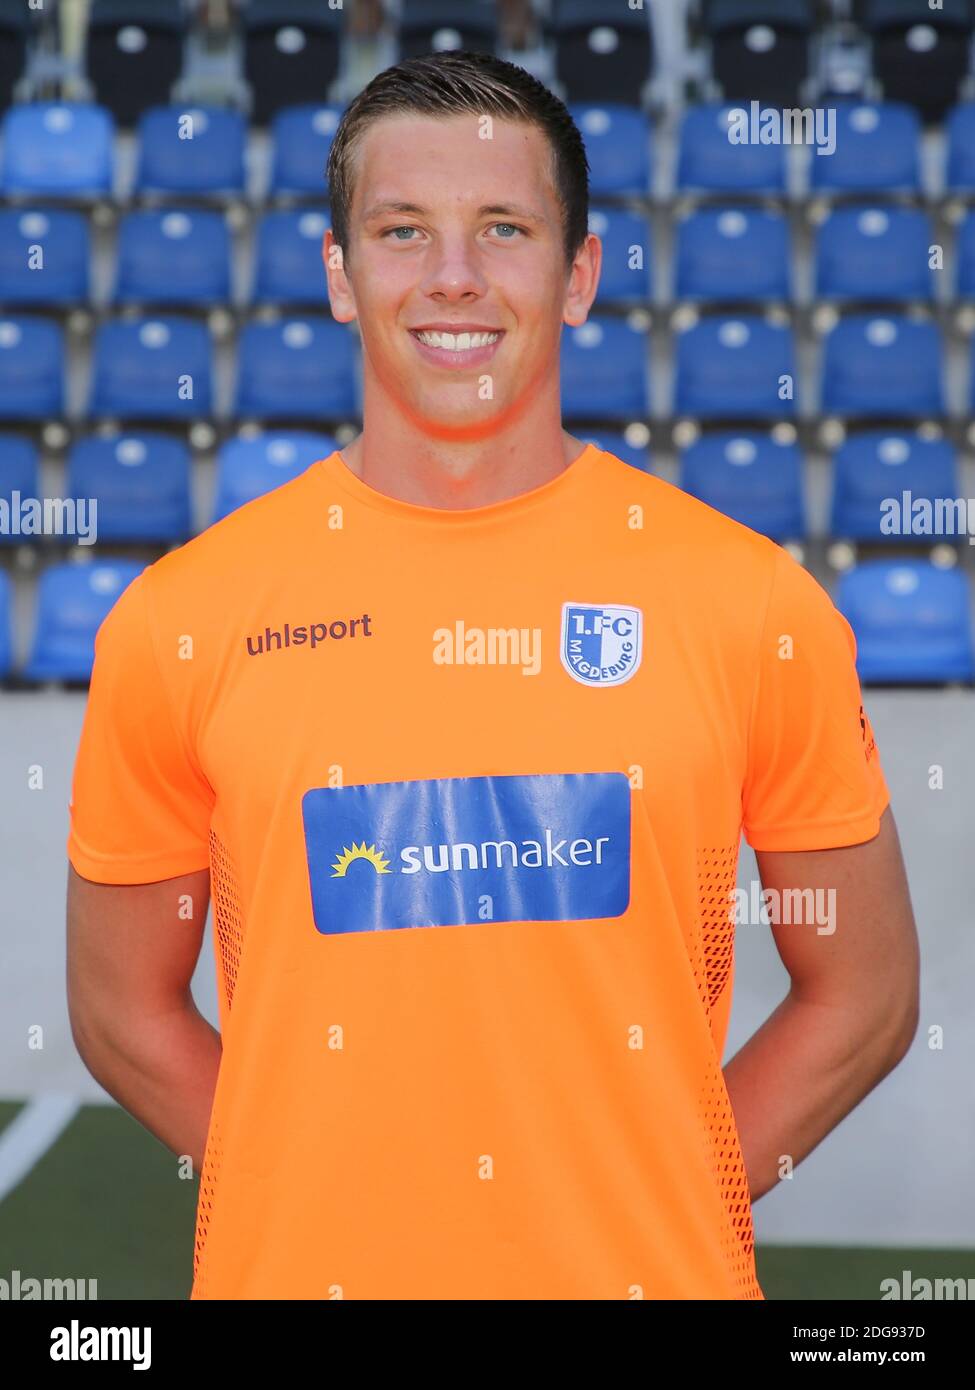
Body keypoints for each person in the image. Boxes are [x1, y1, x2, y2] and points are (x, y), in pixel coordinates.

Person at [66, 51, 919, 1300]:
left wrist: (655, 1190)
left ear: (578, 276)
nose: (452, 277)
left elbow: (869, 992)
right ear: (339, 275)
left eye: (503, 229)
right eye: (401, 230)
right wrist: (321, 1192)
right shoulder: (184, 617)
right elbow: (120, 1011)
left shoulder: (748, 602)